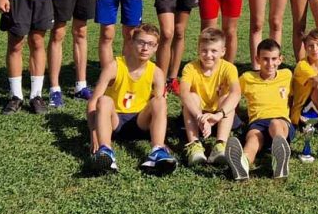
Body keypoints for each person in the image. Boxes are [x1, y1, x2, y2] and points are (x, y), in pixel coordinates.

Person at [87, 23, 178, 174]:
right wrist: (93, 132)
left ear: (156, 48)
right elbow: (93, 102)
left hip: (141, 122)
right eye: (141, 42)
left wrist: (164, 140)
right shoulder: (114, 66)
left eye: (150, 44)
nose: (145, 48)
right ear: (131, 43)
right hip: (114, 122)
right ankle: (106, 151)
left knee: (160, 100)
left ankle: (157, 150)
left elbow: (159, 112)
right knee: (103, 100)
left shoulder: (157, 73)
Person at [225, 39, 294, 180]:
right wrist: (234, 116)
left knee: (275, 124)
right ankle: (243, 164)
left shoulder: (287, 75)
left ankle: (279, 160)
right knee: (253, 139)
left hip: (281, 121)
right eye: (265, 59)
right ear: (257, 59)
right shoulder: (247, 78)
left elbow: (295, 97)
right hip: (257, 123)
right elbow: (233, 94)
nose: (270, 64)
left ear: (280, 59)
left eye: (274, 59)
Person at [179, 28, 241, 166]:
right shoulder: (190, 68)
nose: (208, 55)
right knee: (192, 96)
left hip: (220, 115)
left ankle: (220, 145)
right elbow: (183, 93)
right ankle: (194, 145)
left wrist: (218, 115)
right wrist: (199, 116)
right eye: (204, 50)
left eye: (214, 51)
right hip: (197, 115)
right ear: (198, 50)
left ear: (223, 51)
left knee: (226, 97)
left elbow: (236, 93)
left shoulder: (229, 68)